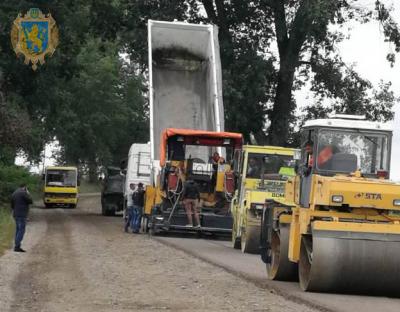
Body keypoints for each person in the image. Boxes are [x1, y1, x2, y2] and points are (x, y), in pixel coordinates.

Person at [11, 183, 33, 252]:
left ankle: (16, 245)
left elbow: (12, 204)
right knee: (21, 230)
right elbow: (30, 201)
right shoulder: (23, 193)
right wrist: (28, 193)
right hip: (22, 214)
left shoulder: (14, 193)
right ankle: (17, 246)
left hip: (16, 214)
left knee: (18, 230)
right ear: (25, 187)